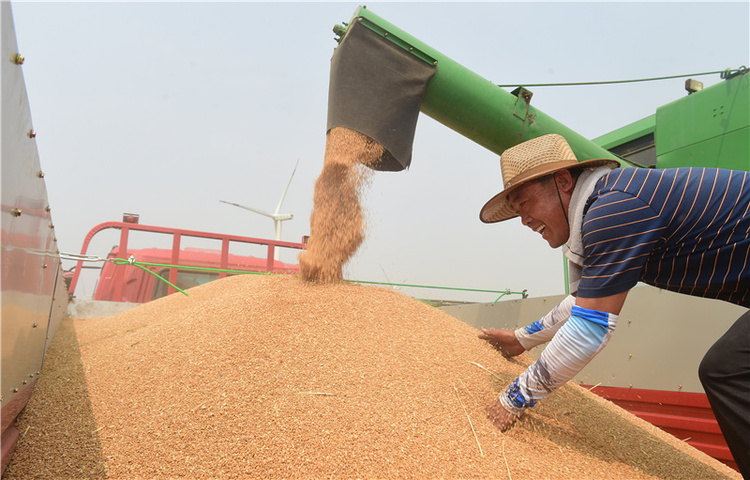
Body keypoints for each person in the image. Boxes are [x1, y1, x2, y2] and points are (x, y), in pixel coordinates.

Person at [477, 133, 750, 477]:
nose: (524, 221)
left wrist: (512, 401)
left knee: (729, 370)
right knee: (729, 369)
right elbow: (582, 304)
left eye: (524, 203)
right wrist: (522, 339)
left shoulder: (614, 209)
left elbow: (589, 329)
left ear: (563, 182)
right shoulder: (609, 202)